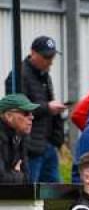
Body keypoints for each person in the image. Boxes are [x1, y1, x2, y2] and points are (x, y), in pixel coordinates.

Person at [4, 36, 66, 183]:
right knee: (30, 193)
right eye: (46, 57)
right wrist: (48, 107)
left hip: (47, 145)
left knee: (55, 194)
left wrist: (58, 140)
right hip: (30, 147)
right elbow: (18, 109)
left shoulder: (45, 76)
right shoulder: (18, 75)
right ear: (33, 53)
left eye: (52, 56)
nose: (50, 61)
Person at [0, 94, 37, 184]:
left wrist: (17, 175)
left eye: (32, 113)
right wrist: (18, 175)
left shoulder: (20, 137)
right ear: (9, 116)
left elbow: (26, 178)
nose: (32, 117)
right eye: (26, 113)